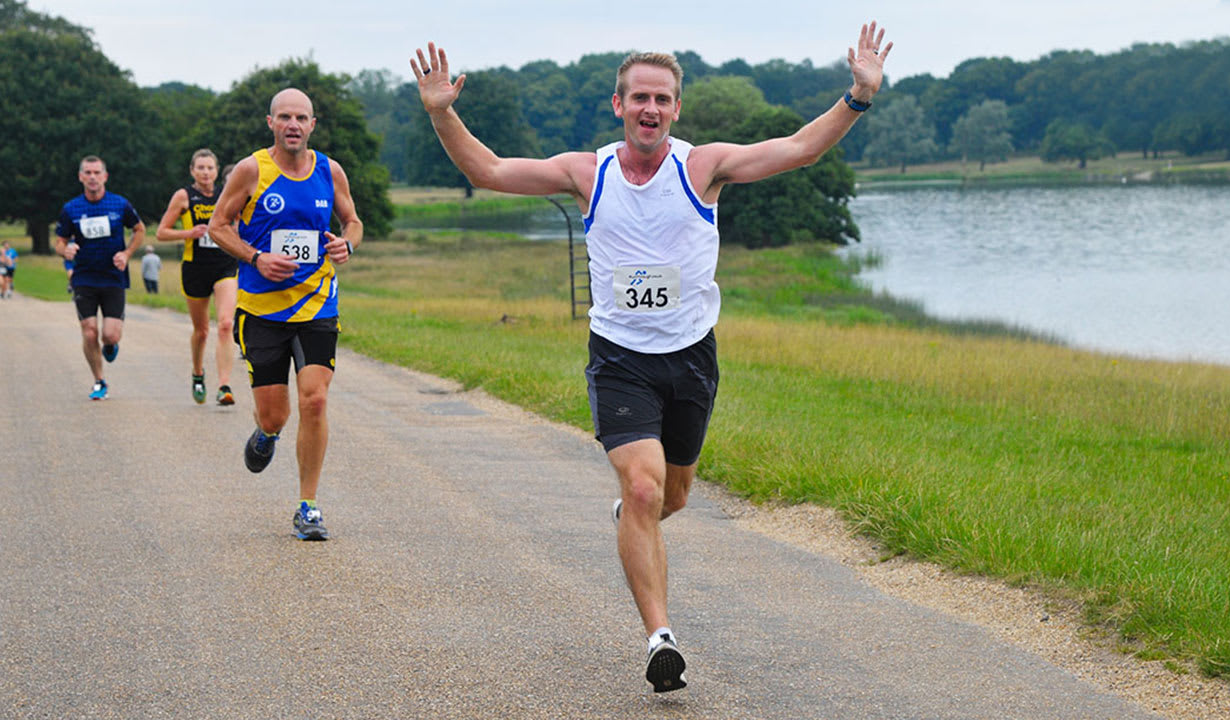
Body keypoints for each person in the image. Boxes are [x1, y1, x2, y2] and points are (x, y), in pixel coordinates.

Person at [412, 22, 890, 693]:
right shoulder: (588, 172)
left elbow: (799, 150)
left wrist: (857, 97)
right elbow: (486, 170)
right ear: (619, 105)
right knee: (642, 487)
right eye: (639, 97)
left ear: (676, 109)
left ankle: (633, 521)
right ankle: (661, 639)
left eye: (662, 99)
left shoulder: (705, 167)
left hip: (692, 358)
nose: (650, 109)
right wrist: (443, 112)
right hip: (621, 359)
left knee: (673, 495)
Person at [208, 87, 362, 541]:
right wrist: (256, 258)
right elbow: (218, 226)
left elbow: (352, 220)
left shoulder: (330, 171)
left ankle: (308, 506)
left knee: (315, 399)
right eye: (285, 117)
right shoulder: (251, 170)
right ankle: (266, 433)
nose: (293, 124)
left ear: (313, 125)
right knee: (274, 415)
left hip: (317, 303)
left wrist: (346, 243)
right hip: (261, 310)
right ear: (271, 123)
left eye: (302, 117)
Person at [55, 155, 147, 401]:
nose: (92, 177)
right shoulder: (71, 209)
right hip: (84, 277)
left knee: (110, 334)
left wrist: (127, 253)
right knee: (89, 331)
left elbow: (139, 229)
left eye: (97, 173)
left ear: (105, 176)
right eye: (88, 173)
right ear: (81, 177)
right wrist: (65, 250)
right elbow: (60, 241)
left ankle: (109, 345)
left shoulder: (119, 204)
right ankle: (99, 380)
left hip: (112, 277)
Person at [156, 149, 239, 406]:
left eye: (210, 168)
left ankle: (224, 385)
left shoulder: (228, 194)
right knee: (201, 331)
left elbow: (240, 224)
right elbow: (161, 232)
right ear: (192, 170)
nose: (205, 172)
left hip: (225, 265)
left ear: (217, 171)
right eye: (200, 168)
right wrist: (189, 233)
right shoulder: (184, 196)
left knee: (226, 324)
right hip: (195, 268)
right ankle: (198, 372)